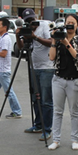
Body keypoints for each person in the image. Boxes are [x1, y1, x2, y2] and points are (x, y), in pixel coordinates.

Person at [47, 14, 78, 150]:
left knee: (74, 112)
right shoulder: (59, 39)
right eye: (68, 23)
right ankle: (56, 140)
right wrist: (54, 40)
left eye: (73, 23)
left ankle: (75, 139)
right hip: (59, 79)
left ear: (77, 25)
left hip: (74, 80)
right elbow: (52, 57)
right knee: (57, 111)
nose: (70, 25)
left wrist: (67, 44)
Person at [17, 8, 54, 141]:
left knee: (46, 100)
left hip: (47, 68)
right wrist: (19, 35)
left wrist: (35, 37)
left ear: (36, 17)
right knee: (35, 98)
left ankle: (47, 129)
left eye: (32, 20)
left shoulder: (43, 25)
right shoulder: (27, 29)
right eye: (28, 21)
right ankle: (38, 125)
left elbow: (51, 42)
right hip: (34, 67)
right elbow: (21, 48)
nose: (31, 23)